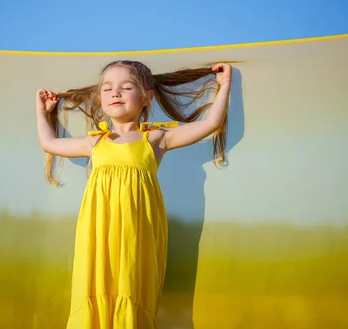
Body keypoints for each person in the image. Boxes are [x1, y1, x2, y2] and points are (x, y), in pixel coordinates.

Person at [36, 60, 232, 328]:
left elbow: (211, 123)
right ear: (100, 99)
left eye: (126, 87)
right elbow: (49, 143)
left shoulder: (155, 139)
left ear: (145, 98)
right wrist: (43, 112)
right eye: (107, 89)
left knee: (132, 287)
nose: (115, 93)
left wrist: (224, 86)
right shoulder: (94, 142)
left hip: (136, 233)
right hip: (98, 232)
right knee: (94, 284)